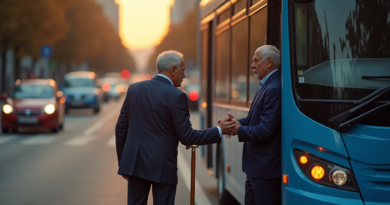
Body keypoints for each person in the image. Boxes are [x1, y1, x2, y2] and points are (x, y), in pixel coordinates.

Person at [115, 50, 235, 205]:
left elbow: (121, 129)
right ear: (173, 70)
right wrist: (219, 130)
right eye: (183, 70)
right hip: (162, 167)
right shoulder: (177, 96)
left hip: (135, 165)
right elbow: (188, 137)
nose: (184, 76)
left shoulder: (134, 89)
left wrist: (124, 164)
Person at [221, 45, 282, 205]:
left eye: (255, 61)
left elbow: (265, 130)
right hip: (256, 169)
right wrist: (234, 124)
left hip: (265, 170)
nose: (252, 65)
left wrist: (238, 129)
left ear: (269, 62)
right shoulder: (268, 85)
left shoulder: (274, 88)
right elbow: (252, 119)